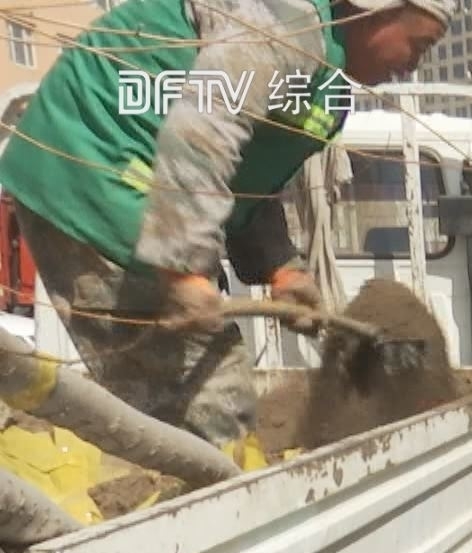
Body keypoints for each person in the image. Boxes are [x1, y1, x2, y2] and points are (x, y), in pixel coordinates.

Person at [0, 0, 448, 466]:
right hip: (97, 167)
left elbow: (247, 173)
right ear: (375, 10)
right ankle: (219, 516)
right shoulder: (285, 28)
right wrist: (180, 266)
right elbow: (201, 132)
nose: (415, 64)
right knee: (211, 398)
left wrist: (280, 268)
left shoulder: (327, 87)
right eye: (420, 45)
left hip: (146, 186)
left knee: (177, 402)